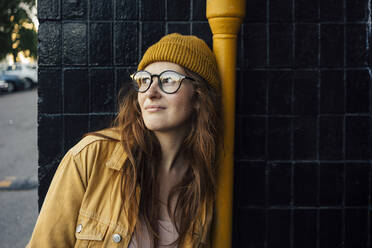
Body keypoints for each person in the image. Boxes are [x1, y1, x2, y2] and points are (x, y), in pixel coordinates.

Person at [27, 33, 222, 248]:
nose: (151, 92)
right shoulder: (90, 157)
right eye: (144, 80)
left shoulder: (204, 186)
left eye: (168, 80)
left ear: (199, 96)